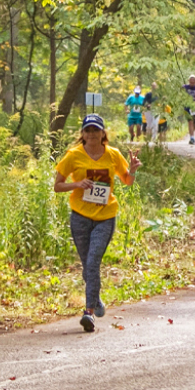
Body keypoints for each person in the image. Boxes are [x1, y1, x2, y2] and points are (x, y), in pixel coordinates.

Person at [54, 114, 141, 332]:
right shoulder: (73, 155)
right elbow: (57, 186)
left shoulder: (113, 154)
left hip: (105, 217)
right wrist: (77, 184)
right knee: (87, 266)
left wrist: (132, 169)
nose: (92, 134)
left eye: (96, 130)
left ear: (103, 133)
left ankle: (88, 312)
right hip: (80, 217)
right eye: (88, 130)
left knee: (93, 262)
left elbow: (127, 181)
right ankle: (97, 299)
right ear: (82, 134)